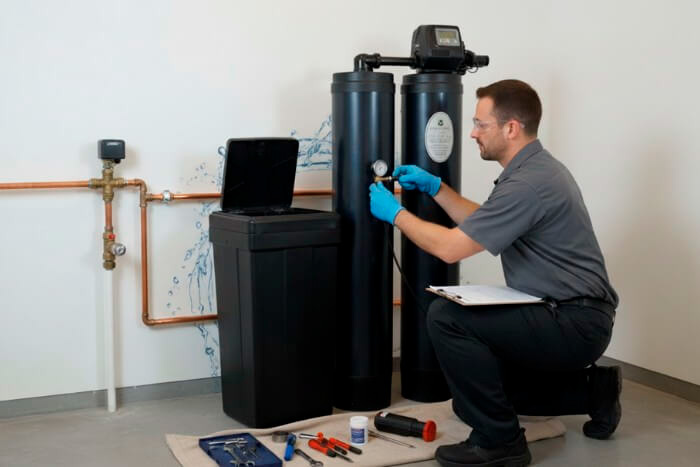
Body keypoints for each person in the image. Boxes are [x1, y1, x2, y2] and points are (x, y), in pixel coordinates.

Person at [368, 79, 621, 467]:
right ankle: (593, 392)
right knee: (474, 396)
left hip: (573, 320)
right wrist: (436, 188)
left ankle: (501, 442)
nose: (472, 133)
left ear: (511, 128)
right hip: (568, 312)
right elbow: (484, 221)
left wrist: (396, 214)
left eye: (480, 124)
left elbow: (451, 246)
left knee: (447, 316)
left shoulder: (529, 183)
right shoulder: (535, 170)